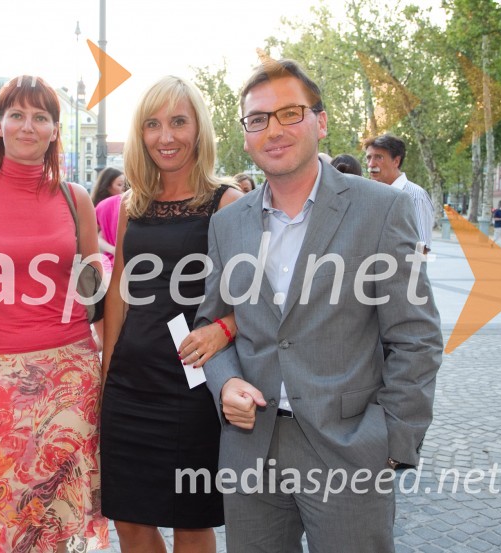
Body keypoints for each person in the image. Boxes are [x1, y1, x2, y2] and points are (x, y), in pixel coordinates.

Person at [196, 58, 443, 553]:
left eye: (290, 113)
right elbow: (212, 326)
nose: (274, 130)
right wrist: (226, 384)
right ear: (245, 134)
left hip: (350, 450)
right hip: (253, 451)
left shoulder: (381, 209)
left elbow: (416, 336)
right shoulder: (228, 223)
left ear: (321, 121)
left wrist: (391, 442)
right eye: (258, 119)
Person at [0, 75, 109, 552]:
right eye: (17, 115)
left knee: (65, 514)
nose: (27, 126)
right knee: (5, 509)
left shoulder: (76, 200)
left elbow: (96, 296)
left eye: (41, 117)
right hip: (2, 380)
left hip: (73, 373)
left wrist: (110, 367)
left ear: (55, 130)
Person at [100, 76, 242, 552]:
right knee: (130, 520)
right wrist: (106, 378)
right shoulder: (131, 205)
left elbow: (263, 296)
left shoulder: (226, 202)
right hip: (129, 386)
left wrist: (225, 328)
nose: (166, 136)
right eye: (153, 124)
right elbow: (119, 293)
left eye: (178, 122)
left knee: (190, 521)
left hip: (192, 388)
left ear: (198, 129)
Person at [364, 134, 435, 253]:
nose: (371, 164)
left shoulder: (416, 196)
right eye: (368, 158)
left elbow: (421, 248)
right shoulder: (368, 195)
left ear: (396, 161)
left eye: (378, 157)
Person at [92, 167, 126, 275]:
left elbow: (95, 236)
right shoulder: (107, 206)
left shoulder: (99, 206)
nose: (123, 188)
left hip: (107, 265)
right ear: (107, 186)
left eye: (124, 185)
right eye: (119, 185)